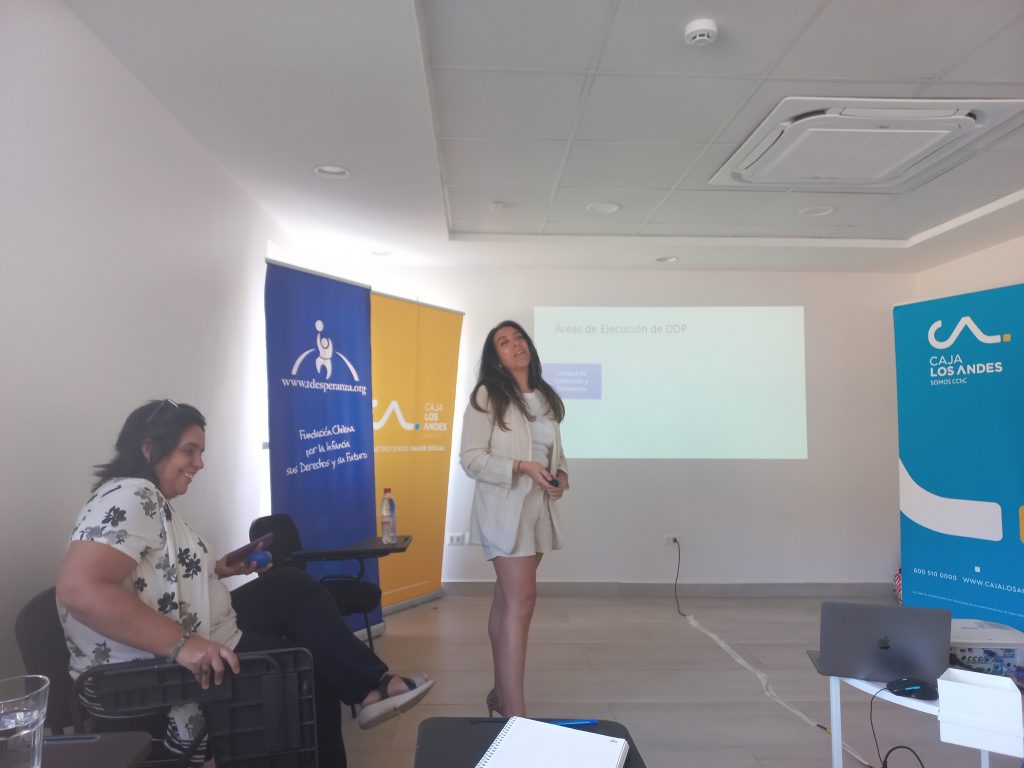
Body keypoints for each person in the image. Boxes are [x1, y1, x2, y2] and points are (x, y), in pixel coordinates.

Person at [56, 399, 433, 768]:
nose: (199, 463)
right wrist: (183, 645)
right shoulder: (133, 496)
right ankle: (369, 689)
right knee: (306, 669)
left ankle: (371, 687)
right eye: (189, 450)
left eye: (201, 452)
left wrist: (221, 568)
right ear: (148, 448)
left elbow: (155, 575)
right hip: (154, 664)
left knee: (288, 585)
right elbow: (80, 589)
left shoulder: (143, 497)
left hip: (205, 628)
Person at [459, 321, 569, 717]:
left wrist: (562, 476)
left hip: (538, 510)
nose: (515, 344)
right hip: (503, 511)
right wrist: (520, 467)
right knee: (521, 602)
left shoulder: (544, 396)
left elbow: (553, 451)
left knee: (507, 601)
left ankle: (500, 695)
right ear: (496, 358)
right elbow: (470, 459)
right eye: (504, 342)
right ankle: (515, 716)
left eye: (519, 337)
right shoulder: (486, 396)